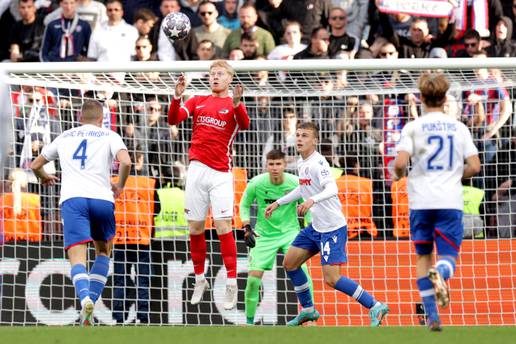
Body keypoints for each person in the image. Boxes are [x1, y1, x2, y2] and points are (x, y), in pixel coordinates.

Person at [265, 122, 389, 327]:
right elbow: (302, 188)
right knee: (290, 263)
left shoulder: (319, 163)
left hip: (332, 228)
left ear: (314, 141)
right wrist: (278, 203)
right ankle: (308, 310)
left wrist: (312, 200)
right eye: (297, 135)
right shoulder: (302, 162)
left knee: (332, 279)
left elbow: (332, 188)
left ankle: (375, 305)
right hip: (316, 227)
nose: (299, 139)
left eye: (304, 136)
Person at [30, 100, 132, 326]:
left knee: (77, 257)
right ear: (101, 118)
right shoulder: (109, 135)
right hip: (102, 199)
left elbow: (35, 164)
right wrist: (121, 185)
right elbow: (126, 161)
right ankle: (91, 302)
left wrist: (44, 177)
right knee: (103, 252)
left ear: (79, 117)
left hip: (73, 200)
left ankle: (85, 298)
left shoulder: (65, 136)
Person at [393, 73, 481, 331]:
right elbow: (475, 166)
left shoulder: (413, 127)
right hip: (449, 201)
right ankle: (441, 273)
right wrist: (454, 173)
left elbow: (399, 163)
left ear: (421, 98)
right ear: (445, 99)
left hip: (420, 201)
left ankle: (432, 316)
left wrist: (401, 175)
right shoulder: (459, 128)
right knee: (448, 255)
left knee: (422, 256)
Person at [168, 59, 249, 310]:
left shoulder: (233, 104)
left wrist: (237, 105)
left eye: (220, 74)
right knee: (195, 228)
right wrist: (176, 97)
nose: (215, 77)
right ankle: (199, 278)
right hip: (197, 169)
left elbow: (245, 125)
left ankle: (232, 282)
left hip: (221, 173)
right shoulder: (197, 100)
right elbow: (174, 119)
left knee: (223, 225)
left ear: (229, 79)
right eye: (212, 73)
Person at [240, 149, 313, 325]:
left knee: (304, 276)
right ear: (266, 165)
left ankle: (310, 318)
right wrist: (246, 227)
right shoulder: (257, 183)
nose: (274, 168)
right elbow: (244, 204)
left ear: (285, 165)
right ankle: (249, 324)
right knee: (252, 281)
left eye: (278, 164)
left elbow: (309, 205)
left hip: (290, 234)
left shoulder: (295, 182)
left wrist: (309, 228)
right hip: (264, 236)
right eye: (271, 164)